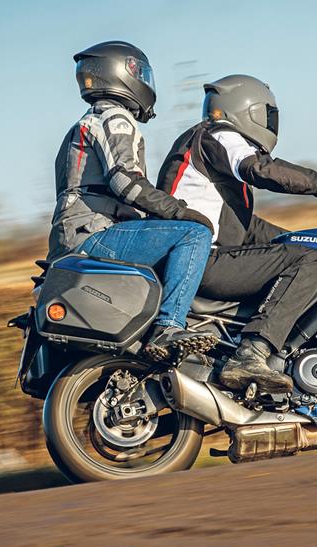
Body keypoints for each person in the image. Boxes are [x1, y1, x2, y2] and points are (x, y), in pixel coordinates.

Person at [157, 74, 317, 392]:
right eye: (268, 114)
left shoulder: (208, 153)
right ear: (247, 109)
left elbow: (248, 229)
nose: (272, 123)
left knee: (308, 252)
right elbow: (263, 171)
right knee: (306, 261)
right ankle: (251, 354)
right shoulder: (219, 135)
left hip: (205, 256)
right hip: (202, 260)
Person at [46, 41, 217, 360]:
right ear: (122, 73)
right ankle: (169, 326)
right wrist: (180, 212)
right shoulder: (114, 118)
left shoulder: (84, 123)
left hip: (74, 238)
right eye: (141, 73)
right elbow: (125, 181)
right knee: (195, 235)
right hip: (94, 236)